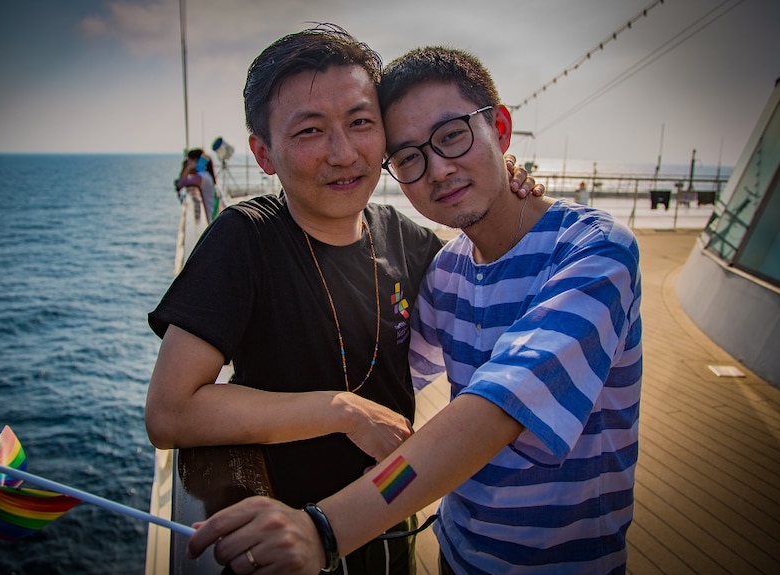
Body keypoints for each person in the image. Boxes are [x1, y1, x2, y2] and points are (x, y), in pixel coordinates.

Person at [185, 45, 642, 575]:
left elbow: (492, 412)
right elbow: (382, 372)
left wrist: (324, 529)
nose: (439, 170)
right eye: (408, 157)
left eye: (453, 136)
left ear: (500, 127)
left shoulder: (593, 251)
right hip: (456, 554)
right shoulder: (446, 270)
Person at [146, 25, 542, 575]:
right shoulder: (246, 238)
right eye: (309, 131)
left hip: (389, 516)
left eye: (361, 123)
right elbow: (169, 410)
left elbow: (492, 270)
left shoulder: (407, 239)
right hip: (287, 533)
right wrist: (340, 410)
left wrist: (510, 183)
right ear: (263, 153)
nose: (343, 153)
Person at [175, 147, 219, 220]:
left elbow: (180, 183)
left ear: (195, 161)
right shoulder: (206, 175)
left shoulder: (201, 177)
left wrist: (188, 168)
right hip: (213, 216)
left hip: (210, 219)